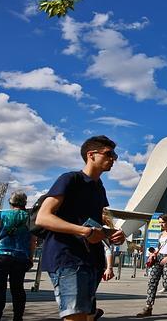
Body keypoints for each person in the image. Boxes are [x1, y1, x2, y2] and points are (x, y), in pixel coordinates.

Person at [35, 135, 126, 321]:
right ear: (91, 155)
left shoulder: (99, 187)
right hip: (68, 257)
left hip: (91, 259)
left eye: (115, 155)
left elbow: (94, 224)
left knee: (84, 316)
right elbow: (43, 217)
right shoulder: (71, 179)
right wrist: (85, 232)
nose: (113, 159)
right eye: (109, 154)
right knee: (76, 317)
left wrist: (112, 234)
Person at [0, 191, 36, 321]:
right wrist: (30, 257)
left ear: (11, 202)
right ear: (24, 202)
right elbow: (32, 241)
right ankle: (17, 317)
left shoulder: (2, 215)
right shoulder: (29, 217)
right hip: (20, 257)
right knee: (18, 288)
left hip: (0, 256)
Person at [136, 214, 167, 317]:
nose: (161, 225)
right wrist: (154, 254)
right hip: (159, 258)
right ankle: (148, 307)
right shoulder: (161, 233)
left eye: (163, 222)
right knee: (152, 282)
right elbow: (160, 246)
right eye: (160, 223)